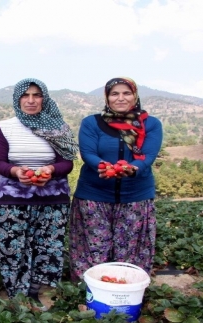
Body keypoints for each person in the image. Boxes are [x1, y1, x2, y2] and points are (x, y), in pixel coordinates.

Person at [0, 78, 78, 308]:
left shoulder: (58, 127)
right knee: (13, 246)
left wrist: (50, 170)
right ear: (17, 99)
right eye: (25, 95)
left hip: (52, 198)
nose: (31, 100)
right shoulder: (4, 127)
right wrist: (16, 171)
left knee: (46, 245)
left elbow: (67, 163)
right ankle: (17, 296)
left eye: (37, 95)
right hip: (13, 199)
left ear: (44, 98)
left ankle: (34, 292)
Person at [69, 77, 163, 281]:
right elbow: (88, 153)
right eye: (115, 94)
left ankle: (125, 294)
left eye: (126, 93)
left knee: (130, 252)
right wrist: (104, 167)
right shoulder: (91, 122)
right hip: (94, 195)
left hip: (136, 195)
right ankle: (89, 294)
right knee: (93, 249)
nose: (121, 98)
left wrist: (132, 168)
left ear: (135, 96)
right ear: (107, 97)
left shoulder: (150, 124)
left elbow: (148, 155)